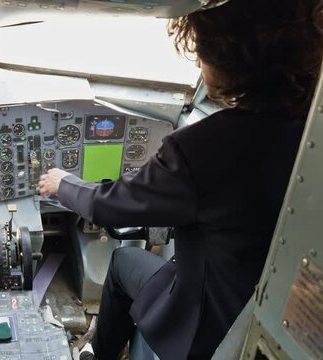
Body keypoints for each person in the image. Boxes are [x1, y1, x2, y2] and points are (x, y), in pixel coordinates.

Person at [39, 0, 323, 359]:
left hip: (206, 321)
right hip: (254, 306)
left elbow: (110, 207)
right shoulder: (310, 133)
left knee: (122, 262)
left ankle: (100, 351)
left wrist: (63, 184)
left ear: (230, 61)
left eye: (202, 53)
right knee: (129, 261)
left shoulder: (204, 147)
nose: (201, 65)